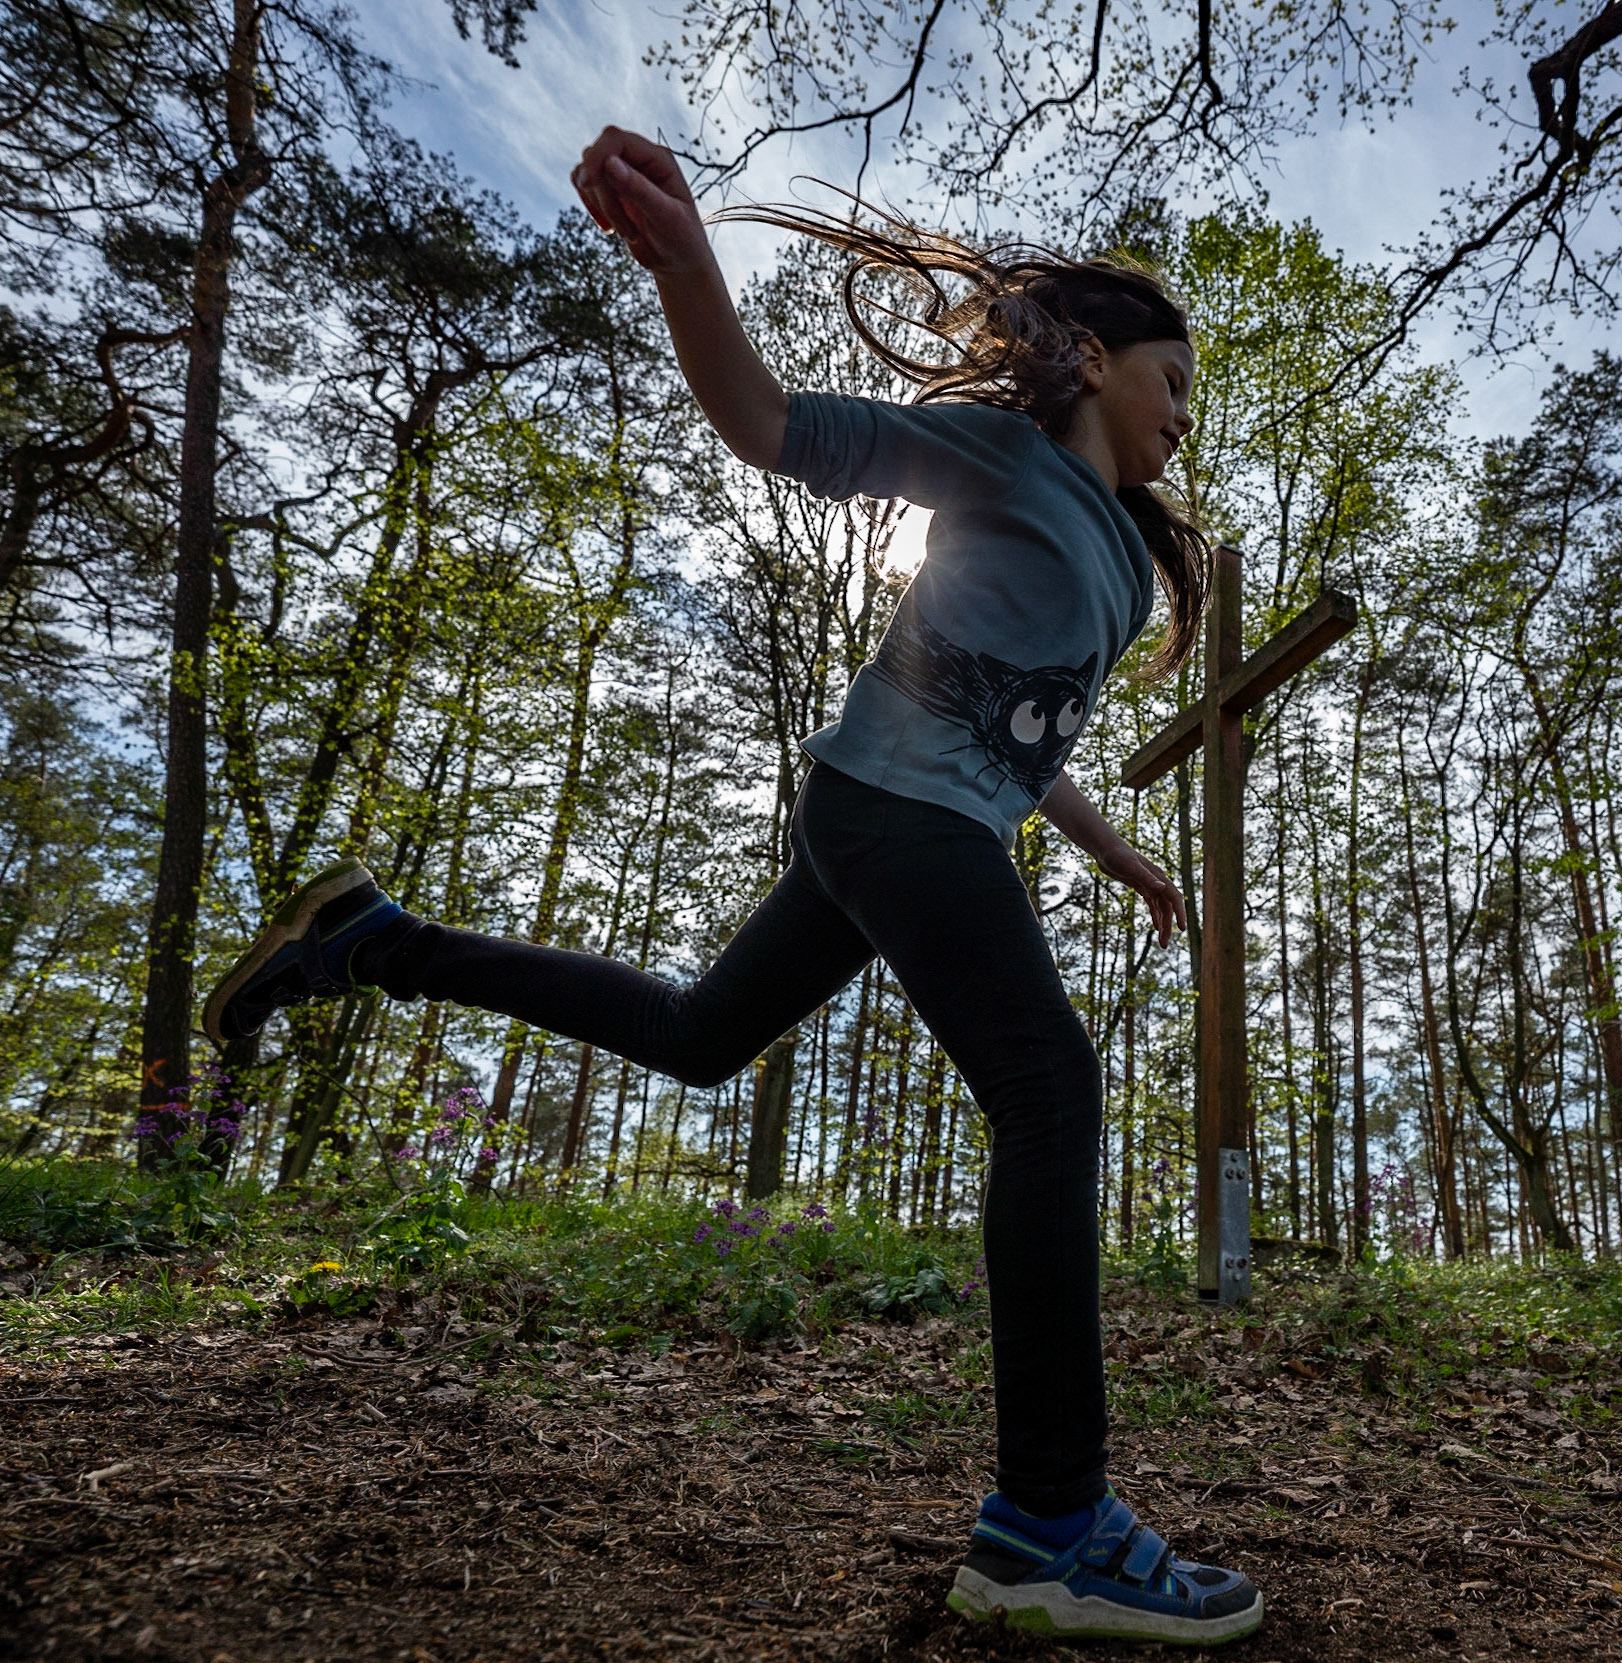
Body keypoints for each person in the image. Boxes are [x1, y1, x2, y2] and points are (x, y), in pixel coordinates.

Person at [202, 125, 1263, 1646]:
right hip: (901, 821)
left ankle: (377, 943)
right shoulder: (1007, 461)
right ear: (1092, 359)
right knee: (1049, 1088)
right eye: (1176, 381)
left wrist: (1116, 848)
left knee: (699, 1037)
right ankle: (1052, 1523)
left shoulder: (1108, 545)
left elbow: (1017, 735)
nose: (1184, 418)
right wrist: (689, 262)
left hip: (894, 819)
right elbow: (766, 422)